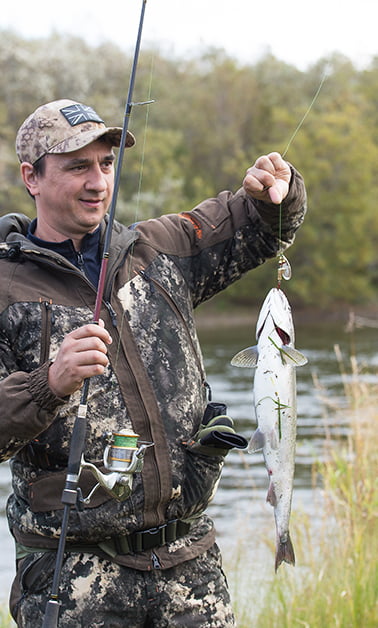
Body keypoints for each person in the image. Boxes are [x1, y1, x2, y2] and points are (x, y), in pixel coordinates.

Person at [0, 98, 307, 627]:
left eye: (106, 164)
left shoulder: (157, 249)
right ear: (32, 177)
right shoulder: (6, 290)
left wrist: (273, 190)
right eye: (77, 167)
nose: (98, 182)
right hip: (73, 582)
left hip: (190, 570)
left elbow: (257, 224)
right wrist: (48, 384)